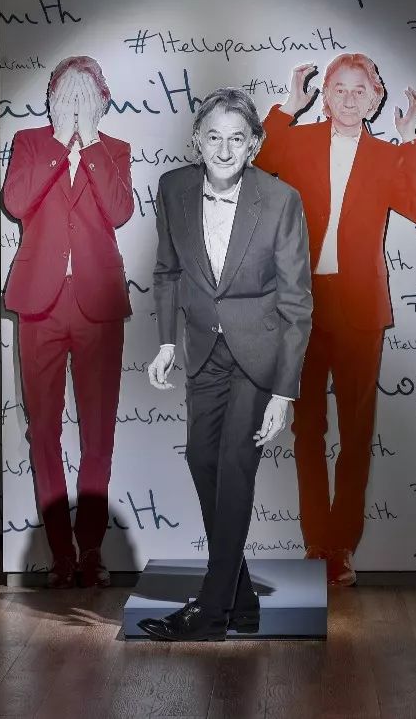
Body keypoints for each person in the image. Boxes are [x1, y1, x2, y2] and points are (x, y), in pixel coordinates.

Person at [253, 54, 416, 585]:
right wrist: (287, 107)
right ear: (325, 95)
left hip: (360, 308)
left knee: (357, 433)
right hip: (303, 307)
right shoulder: (299, 141)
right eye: (340, 88)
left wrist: (411, 141)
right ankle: (316, 542)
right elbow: (255, 163)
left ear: (376, 100)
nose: (351, 97)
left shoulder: (388, 155)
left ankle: (342, 548)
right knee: (307, 429)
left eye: (361, 90)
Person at [140, 87, 312, 641]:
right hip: (202, 352)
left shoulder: (281, 200)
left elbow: (296, 303)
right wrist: (166, 343)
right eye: (213, 137)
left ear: (254, 145)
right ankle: (241, 599)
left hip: (259, 357)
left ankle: (211, 610)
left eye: (237, 139)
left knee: (236, 466)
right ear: (197, 139)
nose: (223, 149)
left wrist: (284, 392)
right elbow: (167, 271)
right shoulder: (173, 188)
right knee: (201, 459)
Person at [2, 55, 133, 588]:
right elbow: (16, 202)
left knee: (99, 431)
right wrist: (60, 142)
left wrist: (91, 144)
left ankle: (92, 550)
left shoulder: (115, 150)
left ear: (103, 101)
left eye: (86, 96)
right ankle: (60, 553)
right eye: (66, 95)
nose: (76, 105)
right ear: (51, 100)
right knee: (44, 430)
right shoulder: (30, 143)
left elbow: (120, 212)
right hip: (41, 304)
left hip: (98, 304)